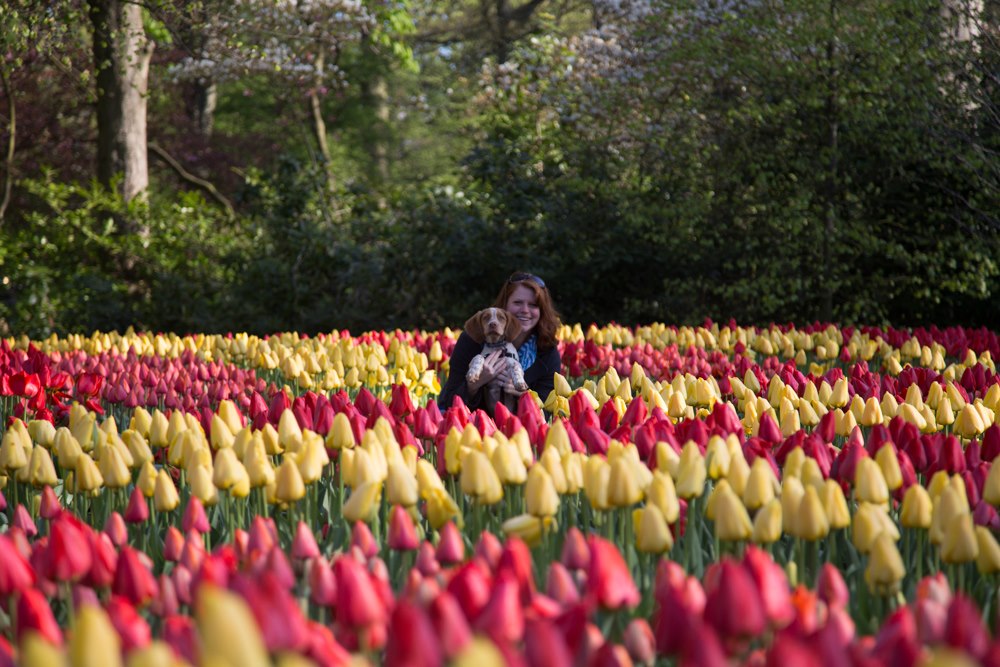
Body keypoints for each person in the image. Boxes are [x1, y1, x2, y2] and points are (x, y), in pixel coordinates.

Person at [437, 271, 562, 415]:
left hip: (519, 432)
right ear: (505, 305)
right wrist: (473, 385)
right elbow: (448, 400)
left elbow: (547, 410)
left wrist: (525, 395)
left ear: (541, 311)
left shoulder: (547, 352)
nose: (525, 310)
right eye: (518, 303)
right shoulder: (471, 340)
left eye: (533, 305)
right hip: (473, 429)